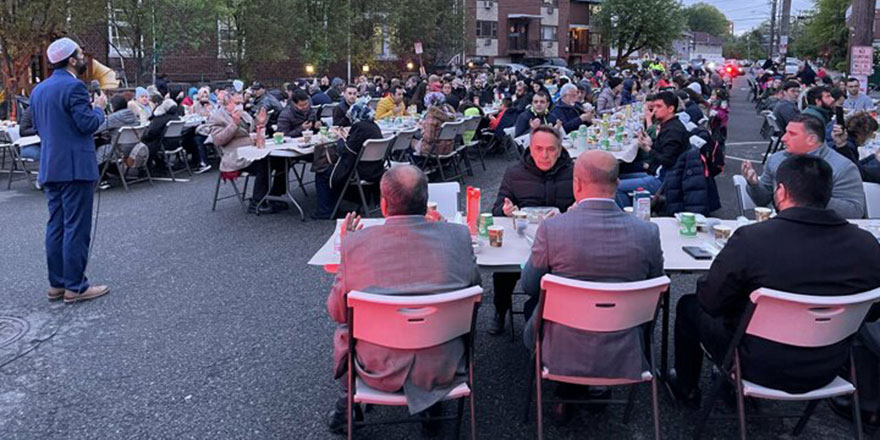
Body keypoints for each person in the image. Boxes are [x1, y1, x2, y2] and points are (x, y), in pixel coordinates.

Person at [670, 155, 880, 407]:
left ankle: (686, 388)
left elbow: (710, 300)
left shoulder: (753, 239)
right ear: (828, 193)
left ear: (781, 192)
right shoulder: (866, 245)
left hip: (755, 363)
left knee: (689, 306)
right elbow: (871, 312)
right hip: (830, 364)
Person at [325, 165, 482, 433]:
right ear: (425, 202)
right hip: (443, 364)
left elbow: (337, 311)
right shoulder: (458, 237)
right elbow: (476, 293)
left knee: (345, 324)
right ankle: (430, 406)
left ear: (384, 205)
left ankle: (347, 405)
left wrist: (347, 252)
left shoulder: (356, 244)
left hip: (376, 366)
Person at [519, 150, 664, 420]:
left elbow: (529, 285)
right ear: (617, 184)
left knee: (535, 305)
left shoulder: (552, 229)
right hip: (623, 341)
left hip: (561, 343)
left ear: (576, 184)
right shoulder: (647, 232)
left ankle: (567, 389)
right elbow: (656, 290)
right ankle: (596, 387)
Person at [31, 37, 110, 303]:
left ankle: (57, 283)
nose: (83, 58)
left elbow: (38, 127)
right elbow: (87, 124)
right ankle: (76, 286)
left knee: (56, 226)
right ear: (72, 60)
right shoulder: (74, 87)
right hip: (75, 167)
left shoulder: (39, 90)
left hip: (51, 165)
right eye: (80, 54)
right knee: (76, 227)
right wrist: (98, 110)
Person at [488, 126, 575, 335]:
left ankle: (564, 309)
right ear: (530, 148)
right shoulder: (514, 172)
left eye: (551, 149)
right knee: (503, 269)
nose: (544, 155)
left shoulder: (573, 172)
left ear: (560, 149)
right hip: (523, 237)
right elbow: (496, 208)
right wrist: (505, 210)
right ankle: (500, 309)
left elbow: (585, 205)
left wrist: (576, 209)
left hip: (562, 241)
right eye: (538, 149)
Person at [743, 114, 865, 219]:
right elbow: (762, 201)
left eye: (792, 134)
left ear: (811, 139)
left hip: (822, 229)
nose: (784, 138)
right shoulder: (776, 159)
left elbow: (855, 212)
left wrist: (810, 196)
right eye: (786, 132)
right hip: (781, 224)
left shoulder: (842, 167)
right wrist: (754, 184)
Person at [208, 91, 287, 215]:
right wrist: (233, 124)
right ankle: (257, 203)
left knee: (282, 160)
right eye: (237, 103)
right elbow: (218, 140)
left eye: (241, 103)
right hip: (235, 156)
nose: (240, 106)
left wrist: (260, 123)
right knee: (264, 163)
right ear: (226, 103)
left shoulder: (244, 114)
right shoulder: (218, 117)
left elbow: (254, 131)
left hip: (253, 151)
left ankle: (274, 195)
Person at [312, 99, 385, 219]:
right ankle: (338, 205)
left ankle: (325, 211)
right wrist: (348, 137)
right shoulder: (373, 126)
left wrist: (340, 138)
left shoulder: (359, 127)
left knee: (322, 172)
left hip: (360, 171)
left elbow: (346, 151)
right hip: (375, 168)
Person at [616, 91, 690, 206]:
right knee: (616, 177)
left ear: (670, 109)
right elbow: (665, 151)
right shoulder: (669, 126)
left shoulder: (673, 131)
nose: (654, 110)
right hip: (658, 173)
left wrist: (648, 149)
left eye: (659, 106)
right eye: (654, 106)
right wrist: (651, 143)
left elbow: (667, 160)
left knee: (614, 186)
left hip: (663, 181)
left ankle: (630, 214)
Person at [95, 94, 139, 166]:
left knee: (97, 146)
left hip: (117, 150)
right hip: (132, 149)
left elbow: (95, 129)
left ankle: (96, 170)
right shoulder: (132, 115)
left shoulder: (115, 117)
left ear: (112, 106)